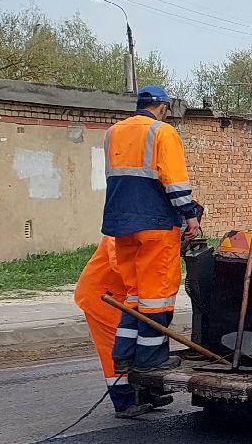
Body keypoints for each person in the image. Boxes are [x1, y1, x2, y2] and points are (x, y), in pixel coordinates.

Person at [102, 85, 203, 374]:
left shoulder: (113, 133)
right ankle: (150, 358)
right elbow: (174, 181)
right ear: (163, 108)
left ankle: (123, 354)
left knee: (134, 294)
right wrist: (190, 215)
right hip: (156, 223)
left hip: (122, 224)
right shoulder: (162, 132)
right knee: (157, 293)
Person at [72, 236, 172, 418]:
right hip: (102, 298)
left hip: (123, 299)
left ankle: (142, 396)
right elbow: (119, 264)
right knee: (115, 351)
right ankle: (124, 403)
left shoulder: (141, 229)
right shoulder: (118, 232)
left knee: (135, 346)